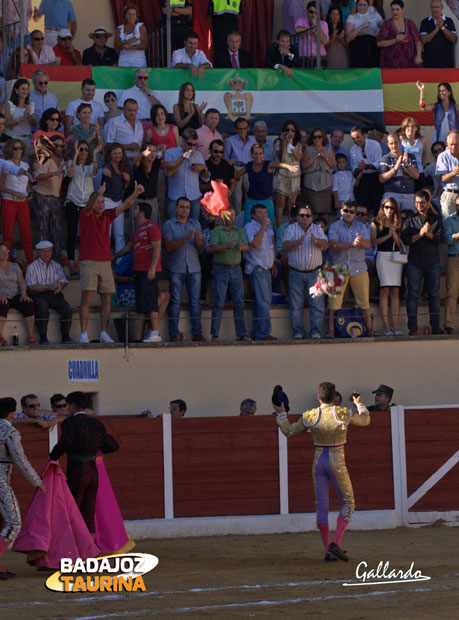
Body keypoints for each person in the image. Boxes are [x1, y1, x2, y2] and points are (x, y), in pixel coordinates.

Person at [275, 381, 370, 562]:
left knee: (322, 507)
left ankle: (328, 551)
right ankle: (336, 543)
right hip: (337, 461)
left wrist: (281, 415)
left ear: (318, 397)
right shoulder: (342, 412)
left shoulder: (311, 416)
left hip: (318, 462)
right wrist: (359, 404)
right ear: (334, 397)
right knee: (349, 502)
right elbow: (365, 420)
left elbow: (287, 431)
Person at [78, 181, 144, 344]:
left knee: (106, 299)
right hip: (88, 261)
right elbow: (88, 207)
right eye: (98, 202)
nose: (100, 205)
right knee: (86, 298)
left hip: (105, 262)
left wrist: (135, 194)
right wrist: (97, 193)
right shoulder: (86, 215)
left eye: (102, 202)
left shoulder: (107, 215)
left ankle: (103, 333)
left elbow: (124, 206)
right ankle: (83, 333)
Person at [49, 391, 119, 535]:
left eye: (68, 405)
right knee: (89, 511)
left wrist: (52, 457)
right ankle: (91, 548)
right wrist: (96, 448)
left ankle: (74, 547)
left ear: (73, 405)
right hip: (93, 472)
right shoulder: (96, 423)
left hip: (77, 471)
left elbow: (65, 442)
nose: (67, 409)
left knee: (72, 509)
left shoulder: (70, 422)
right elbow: (113, 445)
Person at [0, 396, 45, 580]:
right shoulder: (10, 432)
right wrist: (37, 482)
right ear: (12, 413)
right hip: (0, 479)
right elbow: (21, 460)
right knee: (14, 523)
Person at [113, 202, 169, 343]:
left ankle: (155, 332)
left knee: (150, 301)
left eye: (136, 208)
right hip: (139, 272)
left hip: (147, 271)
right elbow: (128, 247)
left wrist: (152, 268)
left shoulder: (152, 226)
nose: (133, 211)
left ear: (142, 212)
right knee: (143, 303)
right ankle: (150, 331)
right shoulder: (138, 230)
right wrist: (114, 256)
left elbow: (157, 248)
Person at [327, 201, 374, 337]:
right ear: (341, 211)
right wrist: (352, 244)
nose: (348, 214)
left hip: (358, 267)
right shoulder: (334, 226)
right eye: (346, 211)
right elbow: (333, 245)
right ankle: (330, 331)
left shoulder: (363, 226)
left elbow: (367, 245)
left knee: (364, 301)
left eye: (352, 212)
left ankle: (369, 329)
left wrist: (361, 242)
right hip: (337, 268)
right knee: (333, 303)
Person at [401, 190, 445, 335]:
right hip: (414, 262)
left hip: (432, 262)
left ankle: (435, 326)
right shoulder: (409, 219)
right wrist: (420, 234)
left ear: (428, 203)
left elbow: (440, 239)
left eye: (422, 202)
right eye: (417, 202)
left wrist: (428, 234)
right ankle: (412, 327)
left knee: (434, 294)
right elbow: (406, 240)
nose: (419, 205)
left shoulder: (436, 219)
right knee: (413, 294)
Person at [282, 204, 328, 339]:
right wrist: (297, 242)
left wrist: (317, 242)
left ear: (312, 217)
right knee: (296, 305)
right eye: (302, 215)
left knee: (317, 305)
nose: (305, 218)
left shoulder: (318, 230)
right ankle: (298, 332)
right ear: (297, 217)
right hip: (296, 273)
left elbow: (326, 245)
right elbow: (285, 246)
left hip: (315, 273)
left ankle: (315, 332)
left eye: (308, 215)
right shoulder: (290, 229)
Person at [163, 196, 206, 342]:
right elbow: (168, 247)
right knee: (175, 301)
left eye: (187, 207)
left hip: (194, 267)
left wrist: (199, 239)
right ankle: (173, 333)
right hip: (176, 267)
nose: (185, 210)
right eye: (182, 207)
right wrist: (185, 239)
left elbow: (201, 248)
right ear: (176, 209)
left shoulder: (196, 223)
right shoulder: (169, 224)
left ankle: (197, 333)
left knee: (195, 301)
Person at [208, 207, 250, 342]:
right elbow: (212, 248)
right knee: (219, 302)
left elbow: (247, 246)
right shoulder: (216, 231)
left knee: (239, 302)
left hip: (236, 268)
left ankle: (241, 334)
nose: (230, 217)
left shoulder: (239, 231)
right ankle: (215, 334)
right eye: (228, 215)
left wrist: (242, 247)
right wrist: (226, 246)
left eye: (232, 215)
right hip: (220, 269)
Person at [25, 240, 73, 345]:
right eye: (43, 251)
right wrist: (49, 286)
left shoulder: (56, 265)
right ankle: (43, 337)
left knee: (67, 308)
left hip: (54, 294)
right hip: (38, 295)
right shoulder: (32, 267)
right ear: (38, 252)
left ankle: (66, 336)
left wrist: (59, 286)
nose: (46, 254)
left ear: (51, 252)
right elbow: (32, 288)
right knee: (42, 307)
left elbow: (64, 281)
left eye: (48, 251)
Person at [65, 140, 101, 275]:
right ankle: (71, 262)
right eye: (81, 149)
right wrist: (75, 155)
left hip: (86, 204)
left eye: (86, 149)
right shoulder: (70, 163)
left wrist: (95, 154)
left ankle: (85, 262)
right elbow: (70, 173)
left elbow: (95, 172)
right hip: (73, 202)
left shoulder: (91, 165)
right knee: (72, 234)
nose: (84, 152)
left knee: (88, 235)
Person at [237, 143, 294, 227]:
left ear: (263, 154)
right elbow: (237, 175)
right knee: (248, 226)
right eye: (256, 153)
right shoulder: (249, 165)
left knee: (269, 227)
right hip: (251, 201)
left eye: (260, 153)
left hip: (266, 201)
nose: (258, 156)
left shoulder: (268, 164)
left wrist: (288, 166)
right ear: (252, 155)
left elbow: (278, 165)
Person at [244, 204, 277, 341]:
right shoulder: (249, 227)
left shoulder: (269, 228)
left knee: (262, 302)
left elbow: (272, 246)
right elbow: (255, 244)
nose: (264, 215)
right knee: (264, 302)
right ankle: (262, 333)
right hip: (257, 269)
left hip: (267, 269)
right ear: (253, 215)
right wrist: (263, 227)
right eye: (260, 213)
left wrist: (273, 262)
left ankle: (258, 332)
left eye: (265, 212)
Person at [370, 198, 403, 336]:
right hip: (383, 256)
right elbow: (373, 242)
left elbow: (401, 245)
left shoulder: (398, 222)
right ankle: (386, 326)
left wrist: (394, 234)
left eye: (392, 208)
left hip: (396, 257)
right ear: (382, 207)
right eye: (387, 207)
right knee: (384, 291)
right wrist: (388, 235)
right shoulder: (375, 222)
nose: (389, 210)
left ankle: (395, 326)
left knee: (395, 291)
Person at [32, 135, 65, 262]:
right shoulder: (44, 158)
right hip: (42, 196)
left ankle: (56, 262)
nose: (59, 147)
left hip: (55, 197)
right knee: (43, 229)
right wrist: (53, 174)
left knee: (56, 230)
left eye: (61, 145)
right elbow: (37, 176)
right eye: (56, 145)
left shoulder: (62, 160)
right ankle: (41, 262)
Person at [0, 139, 33, 264]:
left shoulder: (25, 165)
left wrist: (29, 193)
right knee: (8, 235)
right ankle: (6, 264)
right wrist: (14, 193)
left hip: (22, 202)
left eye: (20, 148)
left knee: (27, 235)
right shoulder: (6, 164)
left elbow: (27, 184)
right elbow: (0, 185)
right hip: (9, 201)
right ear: (10, 150)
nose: (19, 150)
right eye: (15, 148)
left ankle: (30, 265)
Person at [163, 128, 207, 221]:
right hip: (176, 197)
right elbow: (169, 173)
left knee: (194, 226)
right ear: (182, 140)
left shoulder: (198, 155)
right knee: (174, 225)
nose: (192, 147)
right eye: (189, 144)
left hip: (193, 197)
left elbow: (206, 178)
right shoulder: (170, 152)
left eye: (194, 145)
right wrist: (183, 158)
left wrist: (204, 168)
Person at [0, 241, 37, 346]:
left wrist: (24, 294)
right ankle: (0, 337)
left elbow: (21, 281)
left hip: (15, 294)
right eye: (1, 251)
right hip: (2, 295)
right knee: (1, 305)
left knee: (28, 304)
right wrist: (1, 295)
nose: (5, 253)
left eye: (6, 251)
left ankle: (30, 336)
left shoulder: (15, 265)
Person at [378, 132, 419, 212]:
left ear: (400, 142)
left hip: (408, 194)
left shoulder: (410, 156)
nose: (394, 146)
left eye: (396, 142)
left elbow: (416, 176)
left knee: (410, 220)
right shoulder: (385, 158)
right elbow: (381, 179)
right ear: (388, 145)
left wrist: (406, 165)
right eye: (391, 143)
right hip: (392, 193)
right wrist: (395, 168)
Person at [273, 120, 303, 228]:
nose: (290, 132)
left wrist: (291, 145)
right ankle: (278, 227)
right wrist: (284, 143)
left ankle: (291, 227)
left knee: (291, 203)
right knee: (280, 203)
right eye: (287, 130)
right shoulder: (277, 142)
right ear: (283, 132)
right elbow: (281, 158)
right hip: (282, 175)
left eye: (292, 130)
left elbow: (298, 158)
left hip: (294, 177)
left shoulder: (298, 144)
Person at [224, 117, 256, 213]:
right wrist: (231, 165)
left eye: (245, 128)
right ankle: (237, 219)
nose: (242, 130)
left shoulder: (253, 141)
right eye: (240, 128)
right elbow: (225, 157)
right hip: (236, 168)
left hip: (248, 168)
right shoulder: (230, 140)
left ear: (248, 128)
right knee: (237, 197)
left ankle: (248, 218)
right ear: (235, 129)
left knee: (249, 195)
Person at [302, 127, 336, 217]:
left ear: (323, 138)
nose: (317, 139)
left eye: (319, 137)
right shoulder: (308, 149)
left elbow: (333, 165)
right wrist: (316, 156)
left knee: (325, 212)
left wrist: (325, 157)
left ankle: (324, 230)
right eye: (314, 137)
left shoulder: (328, 149)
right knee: (313, 212)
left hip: (325, 183)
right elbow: (304, 165)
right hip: (311, 184)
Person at [376, 0, 421, 68]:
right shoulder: (387, 24)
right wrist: (395, 40)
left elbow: (417, 41)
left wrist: (418, 56)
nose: (395, 12)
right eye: (393, 9)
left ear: (403, 9)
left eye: (397, 9)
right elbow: (379, 43)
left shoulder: (410, 23)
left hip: (409, 62)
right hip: (391, 63)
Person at [349, 124, 382, 214]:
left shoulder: (375, 145)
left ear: (364, 135)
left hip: (375, 177)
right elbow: (354, 168)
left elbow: (379, 164)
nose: (356, 140)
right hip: (362, 178)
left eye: (358, 137)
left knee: (377, 205)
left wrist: (366, 166)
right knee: (362, 206)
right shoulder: (353, 149)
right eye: (353, 138)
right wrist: (359, 169)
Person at [417, 81, 459, 146]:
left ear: (449, 92)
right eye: (439, 91)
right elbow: (423, 107)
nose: (441, 93)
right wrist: (422, 91)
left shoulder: (455, 107)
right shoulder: (436, 106)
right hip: (439, 140)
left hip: (453, 141)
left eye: (443, 91)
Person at [67, 103, 104, 175]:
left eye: (89, 113)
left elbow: (101, 148)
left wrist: (98, 135)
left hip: (96, 164)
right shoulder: (75, 129)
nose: (87, 115)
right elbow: (77, 147)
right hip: (81, 166)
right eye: (84, 113)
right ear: (78, 115)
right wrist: (92, 137)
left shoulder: (96, 127)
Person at [419, 0, 457, 68]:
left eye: (437, 7)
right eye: (433, 7)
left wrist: (442, 27)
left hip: (446, 62)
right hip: (429, 62)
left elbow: (453, 39)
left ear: (442, 7)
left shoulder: (449, 21)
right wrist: (435, 30)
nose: (434, 10)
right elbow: (422, 40)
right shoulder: (425, 22)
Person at [345, 0, 383, 68]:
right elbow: (348, 38)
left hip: (373, 47)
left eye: (364, 5)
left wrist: (379, 33)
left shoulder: (375, 15)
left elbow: (385, 27)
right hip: (358, 48)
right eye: (360, 5)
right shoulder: (352, 17)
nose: (362, 7)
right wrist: (362, 27)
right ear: (356, 6)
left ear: (368, 6)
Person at [132, 144, 161, 224]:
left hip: (152, 201)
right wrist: (142, 154)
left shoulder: (156, 164)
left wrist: (183, 157)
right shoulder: (139, 163)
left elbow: (172, 164)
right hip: (138, 201)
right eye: (149, 151)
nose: (152, 153)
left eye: (154, 151)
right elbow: (134, 163)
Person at [295, 1, 329, 68]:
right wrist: (311, 30)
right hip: (305, 59)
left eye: (316, 13)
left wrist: (316, 26)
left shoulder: (323, 23)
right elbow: (297, 29)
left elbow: (325, 41)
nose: (314, 15)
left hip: (320, 59)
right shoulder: (301, 20)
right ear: (307, 11)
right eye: (311, 12)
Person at [4, 78, 37, 148]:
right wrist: (21, 119)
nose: (25, 91)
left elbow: (35, 125)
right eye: (23, 89)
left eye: (27, 89)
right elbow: (6, 124)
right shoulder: (10, 104)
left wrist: (28, 115)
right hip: (13, 139)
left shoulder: (30, 105)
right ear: (16, 90)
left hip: (27, 140)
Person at [443, 194, 459, 334]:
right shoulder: (449, 220)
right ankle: (449, 325)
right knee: (452, 292)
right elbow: (447, 239)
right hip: (454, 258)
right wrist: (457, 235)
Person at [114, 3, 148, 68]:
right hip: (123, 60)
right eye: (129, 14)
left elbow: (145, 45)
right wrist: (127, 42)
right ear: (125, 16)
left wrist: (132, 47)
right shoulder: (119, 28)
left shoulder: (141, 27)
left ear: (136, 16)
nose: (131, 16)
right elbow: (116, 46)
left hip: (139, 60)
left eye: (133, 14)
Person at [436, 129, 459, 218]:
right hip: (450, 196)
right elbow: (442, 178)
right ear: (447, 143)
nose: (453, 147)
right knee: (448, 224)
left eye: (456, 144)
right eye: (451, 144)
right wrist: (454, 172)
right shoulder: (443, 156)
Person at [399, 117, 427, 188]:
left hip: (419, 173)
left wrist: (422, 166)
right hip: (405, 174)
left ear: (416, 128)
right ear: (404, 128)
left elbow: (424, 154)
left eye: (413, 126)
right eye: (408, 126)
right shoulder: (400, 140)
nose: (410, 128)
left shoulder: (422, 140)